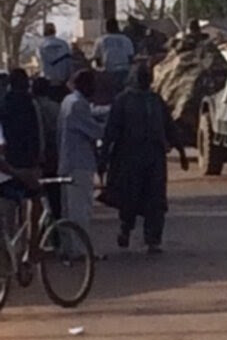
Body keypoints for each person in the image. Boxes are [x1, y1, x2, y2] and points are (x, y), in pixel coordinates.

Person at [100, 63, 188, 253]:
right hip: (129, 157)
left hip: (154, 157)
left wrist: (181, 152)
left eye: (146, 76)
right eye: (141, 76)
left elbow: (169, 126)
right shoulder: (123, 101)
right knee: (129, 197)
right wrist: (103, 158)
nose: (144, 79)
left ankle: (153, 239)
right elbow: (111, 131)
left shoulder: (156, 100)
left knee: (156, 199)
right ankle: (125, 228)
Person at [0, 69, 44, 260]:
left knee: (8, 213)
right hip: (27, 164)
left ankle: (11, 253)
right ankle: (32, 246)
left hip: (7, 167)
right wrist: (38, 160)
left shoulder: (3, 104)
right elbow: (38, 134)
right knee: (35, 204)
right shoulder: (30, 103)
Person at [57, 70, 105, 240]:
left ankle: (70, 249)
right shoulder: (77, 104)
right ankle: (80, 251)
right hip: (79, 164)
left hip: (68, 161)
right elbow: (96, 131)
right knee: (80, 210)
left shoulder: (68, 100)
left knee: (69, 210)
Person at [32, 77, 62, 220]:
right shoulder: (56, 107)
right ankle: (57, 225)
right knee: (54, 195)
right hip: (54, 155)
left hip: (37, 156)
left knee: (37, 195)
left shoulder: (31, 106)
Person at [92, 18, 135, 95]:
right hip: (123, 71)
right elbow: (130, 58)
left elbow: (97, 59)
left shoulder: (101, 40)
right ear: (117, 27)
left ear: (106, 28)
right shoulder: (126, 39)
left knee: (110, 95)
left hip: (108, 72)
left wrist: (102, 72)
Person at [38, 23, 72, 102]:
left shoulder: (41, 46)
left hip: (48, 84)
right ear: (55, 31)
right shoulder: (64, 44)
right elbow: (69, 64)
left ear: (44, 32)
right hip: (63, 84)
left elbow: (42, 65)